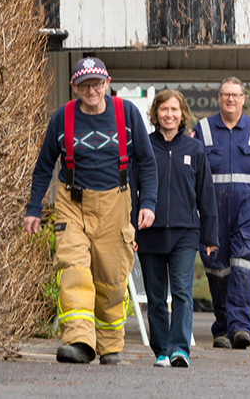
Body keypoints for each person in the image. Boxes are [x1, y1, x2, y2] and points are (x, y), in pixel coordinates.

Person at [24, 57, 158, 365]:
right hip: (73, 204)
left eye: (97, 83)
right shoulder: (62, 118)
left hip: (116, 203)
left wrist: (148, 203)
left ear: (107, 82)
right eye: (84, 85)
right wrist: (33, 208)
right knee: (74, 269)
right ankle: (79, 341)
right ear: (74, 87)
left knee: (111, 280)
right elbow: (44, 166)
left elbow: (147, 163)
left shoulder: (127, 114)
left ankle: (110, 346)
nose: (91, 90)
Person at [130, 90, 219, 368]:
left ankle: (180, 349)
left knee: (181, 293)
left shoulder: (194, 150)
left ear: (183, 115)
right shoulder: (143, 147)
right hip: (150, 233)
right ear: (155, 113)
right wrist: (132, 229)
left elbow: (206, 194)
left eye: (174, 109)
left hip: (185, 233)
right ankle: (161, 350)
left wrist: (210, 235)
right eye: (164, 109)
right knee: (156, 298)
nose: (169, 114)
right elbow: (132, 191)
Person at [191, 77, 250, 349]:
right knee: (217, 271)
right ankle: (222, 328)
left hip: (247, 214)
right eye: (225, 94)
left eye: (235, 95)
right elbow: (191, 174)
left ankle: (241, 327)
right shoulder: (203, 130)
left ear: (243, 98)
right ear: (219, 98)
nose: (230, 99)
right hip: (212, 214)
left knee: (245, 267)